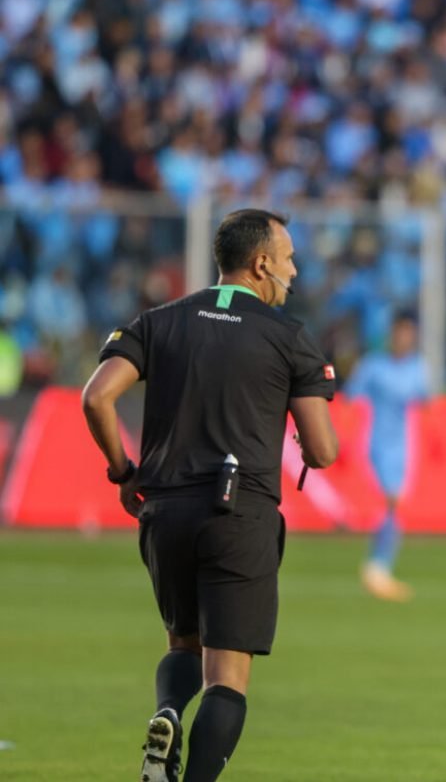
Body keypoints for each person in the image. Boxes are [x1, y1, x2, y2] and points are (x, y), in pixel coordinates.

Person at [80, 209, 339, 782]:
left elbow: (97, 398)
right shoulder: (288, 336)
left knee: (182, 645)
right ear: (261, 262)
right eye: (289, 258)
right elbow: (321, 452)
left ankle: (167, 711)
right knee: (227, 676)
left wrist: (124, 472)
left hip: (164, 510)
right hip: (237, 512)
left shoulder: (158, 320)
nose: (294, 272)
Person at [345, 307, 429, 601]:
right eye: (400, 332)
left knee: (394, 507)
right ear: (391, 334)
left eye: (410, 333)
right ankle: (377, 568)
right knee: (389, 504)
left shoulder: (418, 368)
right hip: (374, 444)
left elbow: (426, 402)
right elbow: (353, 402)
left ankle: (378, 568)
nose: (405, 338)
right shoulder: (373, 366)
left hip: (403, 448)